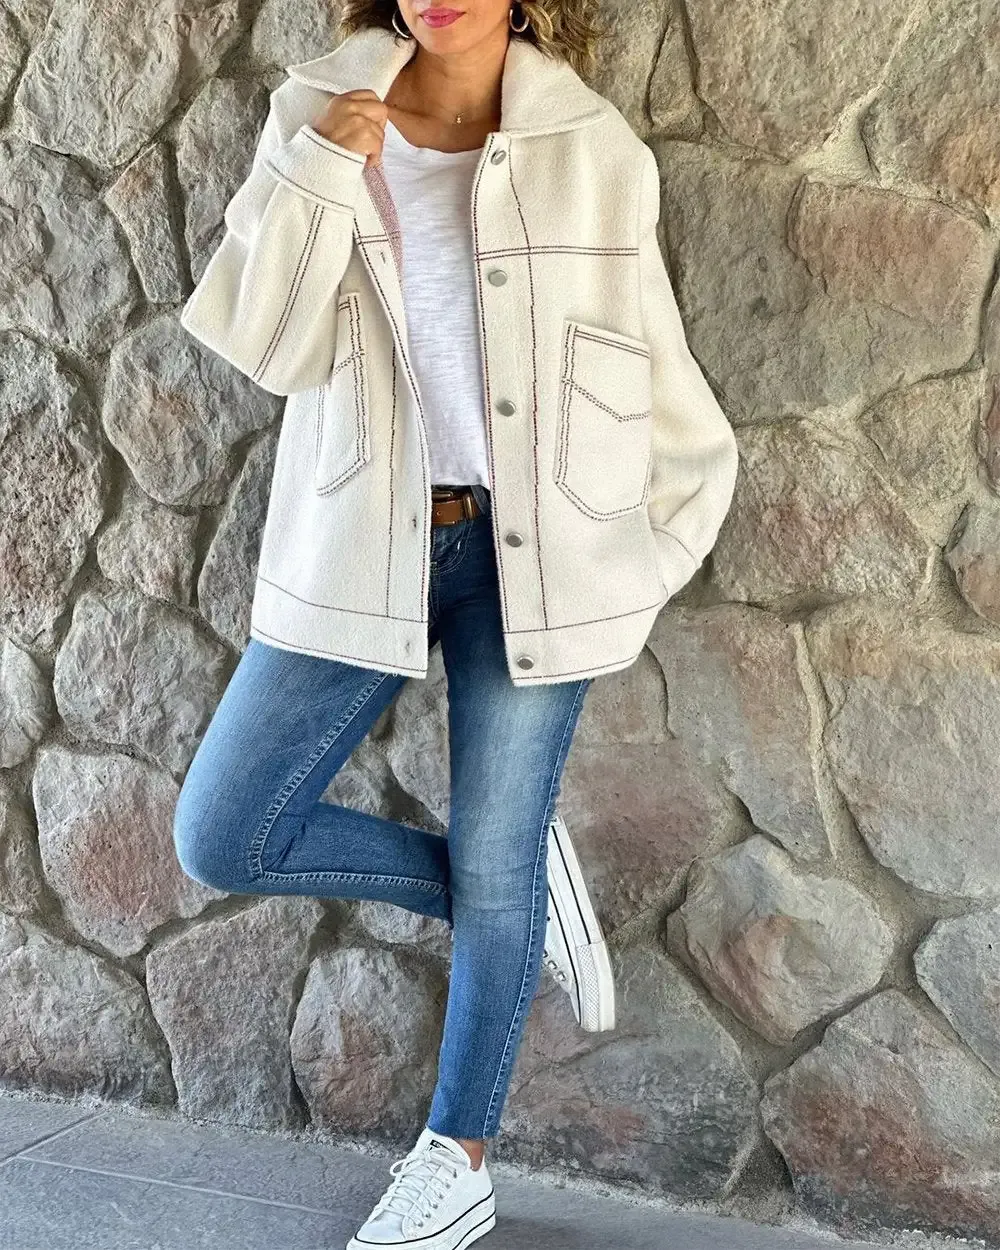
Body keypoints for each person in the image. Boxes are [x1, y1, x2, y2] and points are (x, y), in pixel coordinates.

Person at [173, 1, 740, 1246]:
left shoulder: (592, 148)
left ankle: (457, 1157)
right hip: (359, 539)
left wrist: (644, 556)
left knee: (496, 860)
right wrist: (321, 166)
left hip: (536, 559)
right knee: (223, 830)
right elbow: (264, 345)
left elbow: (651, 372)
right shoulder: (315, 112)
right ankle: (518, 884)